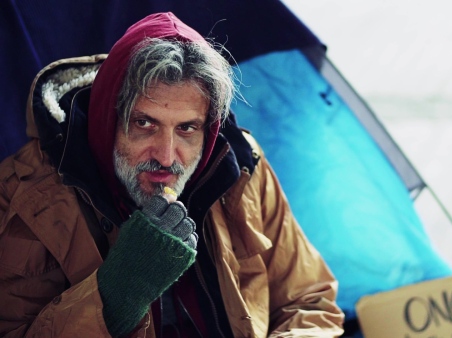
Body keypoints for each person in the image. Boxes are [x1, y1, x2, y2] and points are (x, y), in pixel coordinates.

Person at [0, 12, 344, 337]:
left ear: (208, 130)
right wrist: (118, 293)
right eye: (144, 124)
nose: (166, 156)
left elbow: (310, 301)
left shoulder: (242, 169)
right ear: (107, 120)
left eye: (187, 129)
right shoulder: (27, 194)